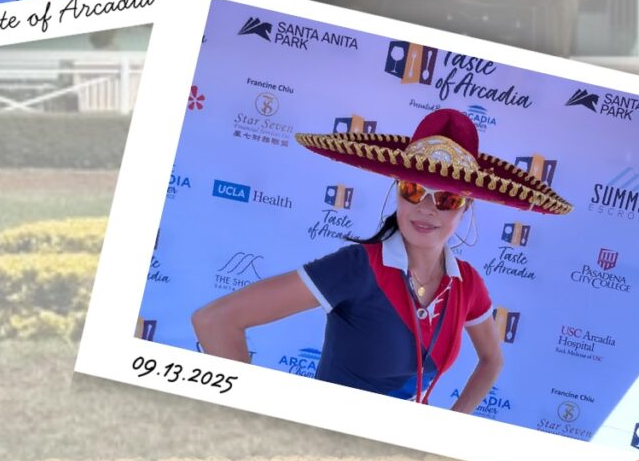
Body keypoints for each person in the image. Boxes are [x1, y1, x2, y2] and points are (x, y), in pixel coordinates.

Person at [192, 108, 572, 410]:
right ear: (397, 190)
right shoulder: (358, 266)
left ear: (465, 208)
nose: (426, 209)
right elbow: (215, 321)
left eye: (446, 199)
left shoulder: (467, 283)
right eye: (413, 190)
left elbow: (492, 360)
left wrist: (453, 427)